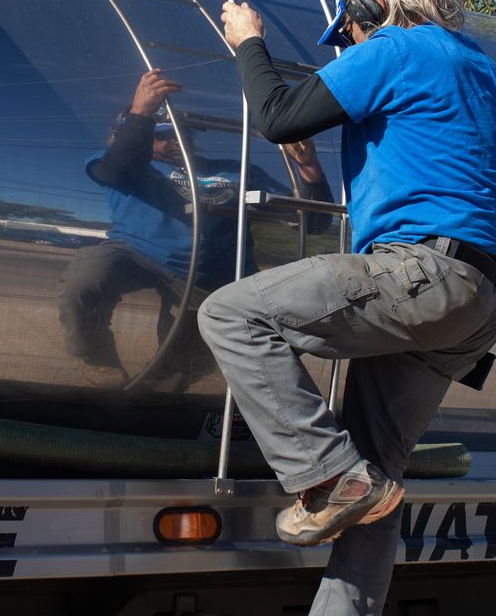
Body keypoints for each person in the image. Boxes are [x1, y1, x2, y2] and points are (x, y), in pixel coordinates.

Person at [200, 0, 496, 616]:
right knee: (378, 480)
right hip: (482, 292)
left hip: (421, 271)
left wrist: (249, 41)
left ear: (371, 6)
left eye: (346, 29)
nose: (346, 46)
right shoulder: (482, 70)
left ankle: (321, 471)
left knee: (231, 315)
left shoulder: (396, 48)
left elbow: (279, 115)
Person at [59, 68, 329, 387]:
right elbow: (116, 168)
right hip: (138, 254)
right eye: (159, 133)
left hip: (212, 272)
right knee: (87, 275)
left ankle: (156, 404)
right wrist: (141, 113)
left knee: (182, 364)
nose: (172, 138)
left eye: (177, 131)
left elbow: (312, 222)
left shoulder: (237, 170)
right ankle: (96, 356)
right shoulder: (123, 163)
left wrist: (308, 167)